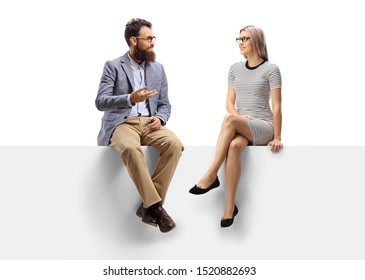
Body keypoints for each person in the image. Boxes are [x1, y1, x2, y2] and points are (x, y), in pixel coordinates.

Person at [189, 25, 283, 227]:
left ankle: (211, 174)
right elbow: (229, 103)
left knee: (228, 119)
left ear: (256, 41)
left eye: (245, 39)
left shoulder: (271, 69)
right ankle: (230, 208)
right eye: (239, 39)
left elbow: (277, 106)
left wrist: (277, 137)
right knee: (234, 146)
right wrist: (238, 117)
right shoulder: (234, 69)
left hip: (264, 126)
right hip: (242, 124)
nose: (240, 43)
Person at [95, 18, 183, 233]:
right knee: (131, 149)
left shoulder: (158, 69)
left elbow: (165, 104)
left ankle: (148, 207)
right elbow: (100, 101)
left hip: (151, 124)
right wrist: (129, 99)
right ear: (134, 40)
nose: (153, 42)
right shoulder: (113, 66)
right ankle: (155, 207)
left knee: (175, 145)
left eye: (154, 37)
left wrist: (160, 118)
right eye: (149, 38)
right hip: (122, 123)